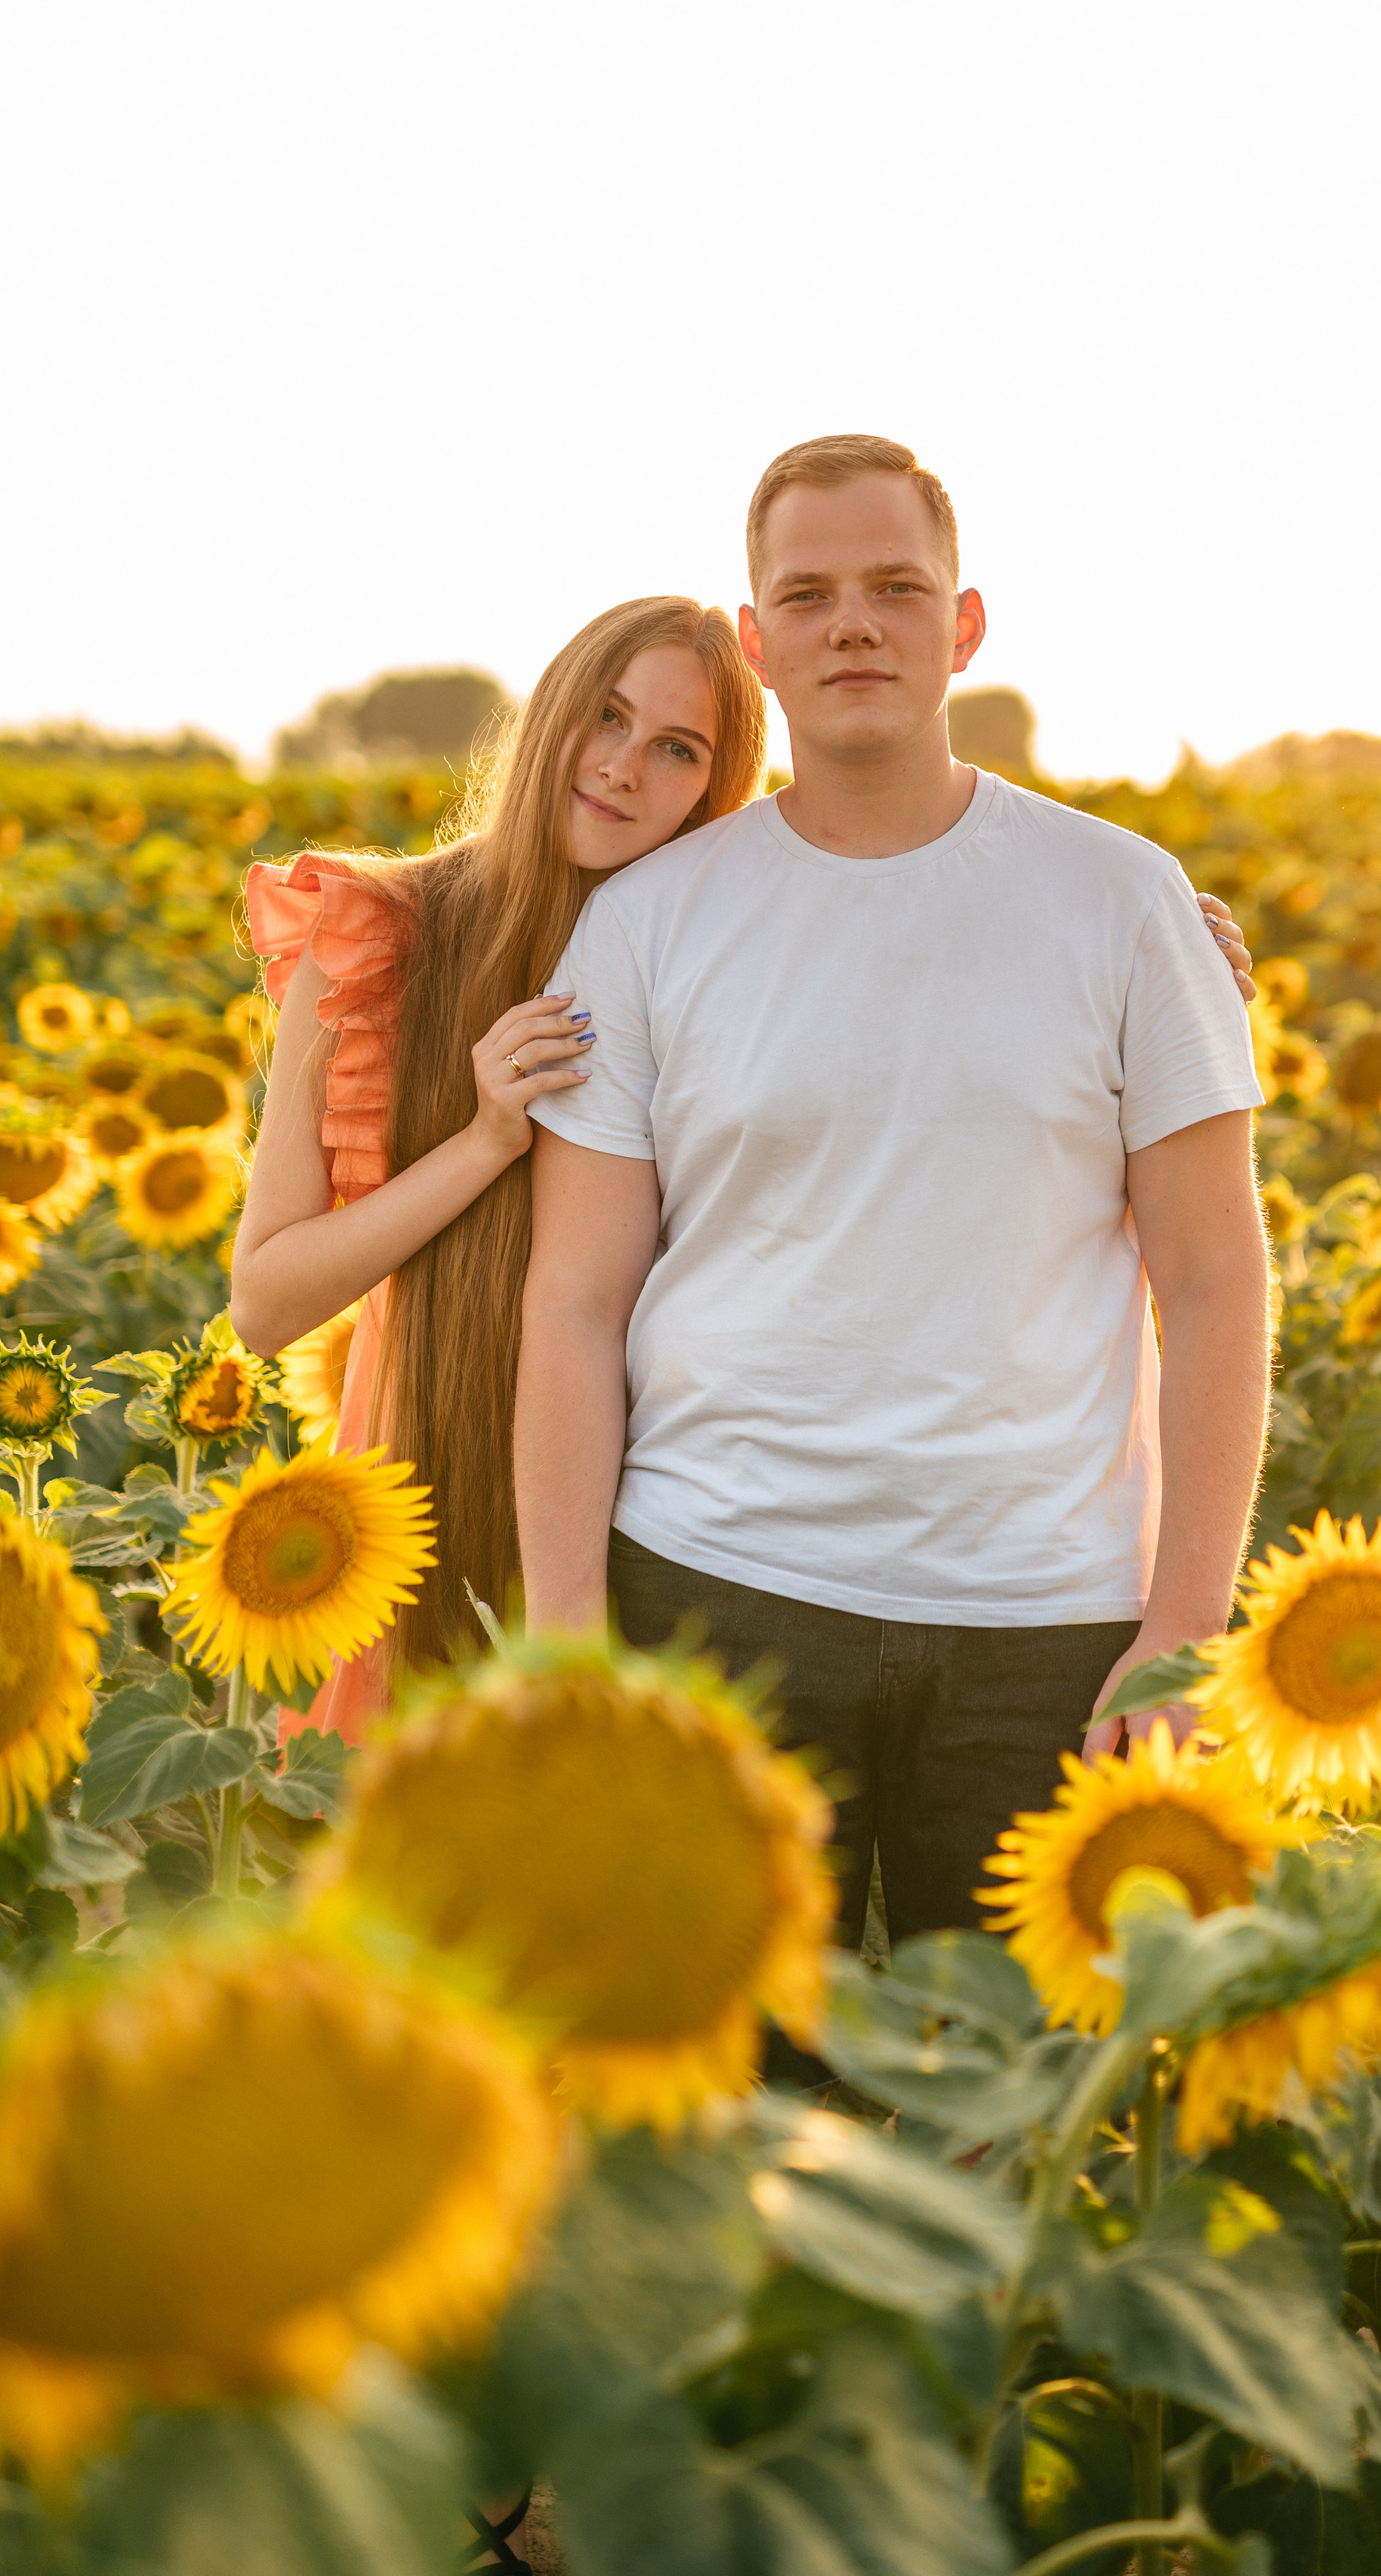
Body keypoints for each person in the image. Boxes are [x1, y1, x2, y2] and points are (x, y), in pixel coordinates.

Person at [231, 590, 1255, 1738]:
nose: (623, 768)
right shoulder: (383, 938)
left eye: (678, 749)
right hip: (442, 1465)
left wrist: (1154, 953)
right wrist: (481, 1143)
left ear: (719, 788)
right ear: (551, 713)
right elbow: (267, 1304)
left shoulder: (714, 939)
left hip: (666, 1510)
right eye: (605, 718)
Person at [515, 433, 1275, 1952]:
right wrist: (567, 1637)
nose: (851, 622)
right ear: (757, 643)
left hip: (1043, 1613)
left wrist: (1185, 1622)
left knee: (1004, 2113)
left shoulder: (1119, 899)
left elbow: (1214, 1278)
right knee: (725, 2098)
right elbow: (575, 1299)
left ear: (963, 624)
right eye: (805, 593)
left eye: (893, 587)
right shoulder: (650, 922)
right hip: (716, 1586)